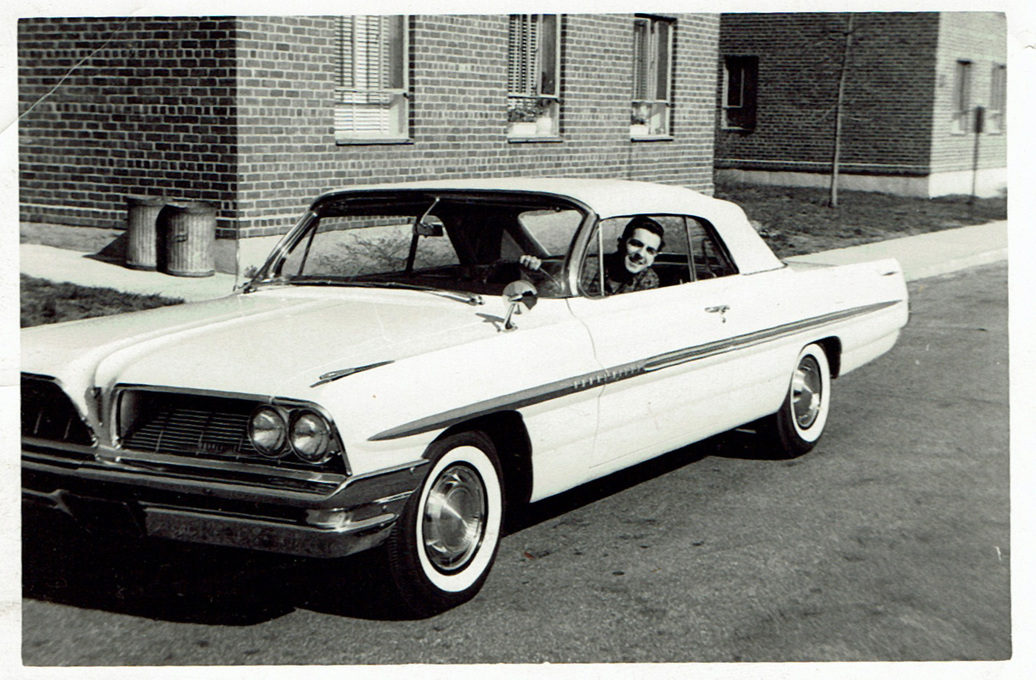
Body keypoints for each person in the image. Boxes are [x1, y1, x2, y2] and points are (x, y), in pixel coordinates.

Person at [521, 216, 664, 296]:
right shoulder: (589, 266)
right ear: (620, 243)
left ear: (654, 258)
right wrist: (536, 274)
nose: (640, 254)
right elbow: (553, 293)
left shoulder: (648, 280)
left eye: (650, 251)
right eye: (636, 244)